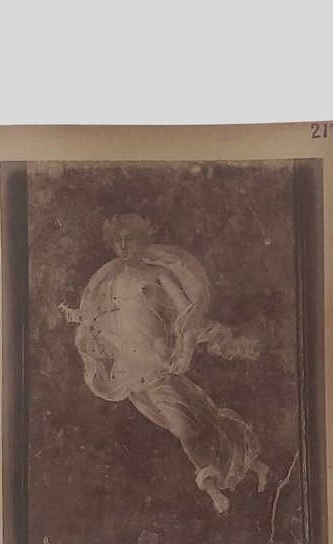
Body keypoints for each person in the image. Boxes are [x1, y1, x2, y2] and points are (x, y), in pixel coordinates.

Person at [59, 213, 270, 514]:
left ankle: (214, 491)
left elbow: (188, 316)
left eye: (129, 238)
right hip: (131, 375)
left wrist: (184, 354)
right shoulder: (111, 283)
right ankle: (254, 467)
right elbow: (105, 322)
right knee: (194, 424)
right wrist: (77, 317)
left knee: (187, 427)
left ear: (142, 240)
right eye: (118, 240)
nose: (124, 245)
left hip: (160, 366)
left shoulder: (160, 275)